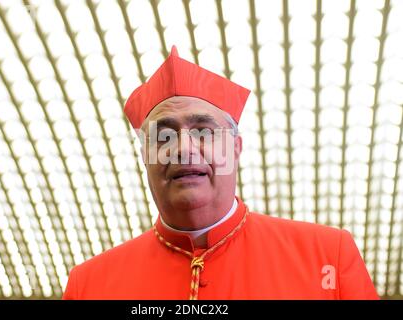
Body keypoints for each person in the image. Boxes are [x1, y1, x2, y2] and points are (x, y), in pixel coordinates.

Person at [62, 46, 378, 300]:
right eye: (163, 136)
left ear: (236, 148)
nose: (183, 148)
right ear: (145, 154)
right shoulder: (88, 285)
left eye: (203, 132)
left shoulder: (327, 254)